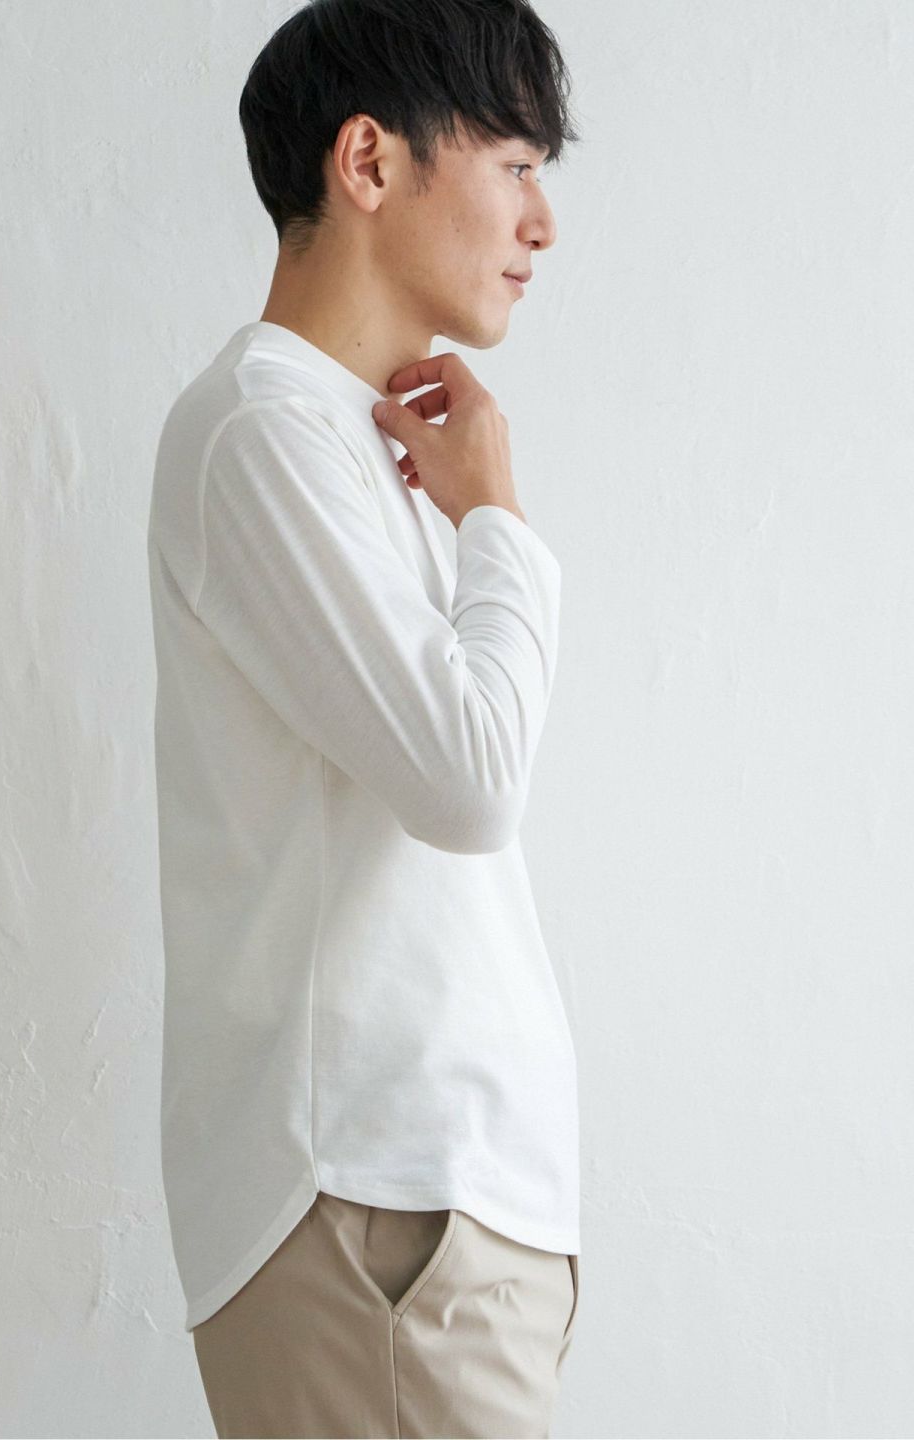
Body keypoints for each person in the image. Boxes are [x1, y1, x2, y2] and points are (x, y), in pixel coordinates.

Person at [146, 1, 583, 1433]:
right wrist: (498, 520)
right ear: (371, 163)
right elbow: (470, 781)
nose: (542, 225)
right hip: (378, 1207)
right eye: (516, 166)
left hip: (422, 1214)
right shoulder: (265, 430)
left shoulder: (338, 439)